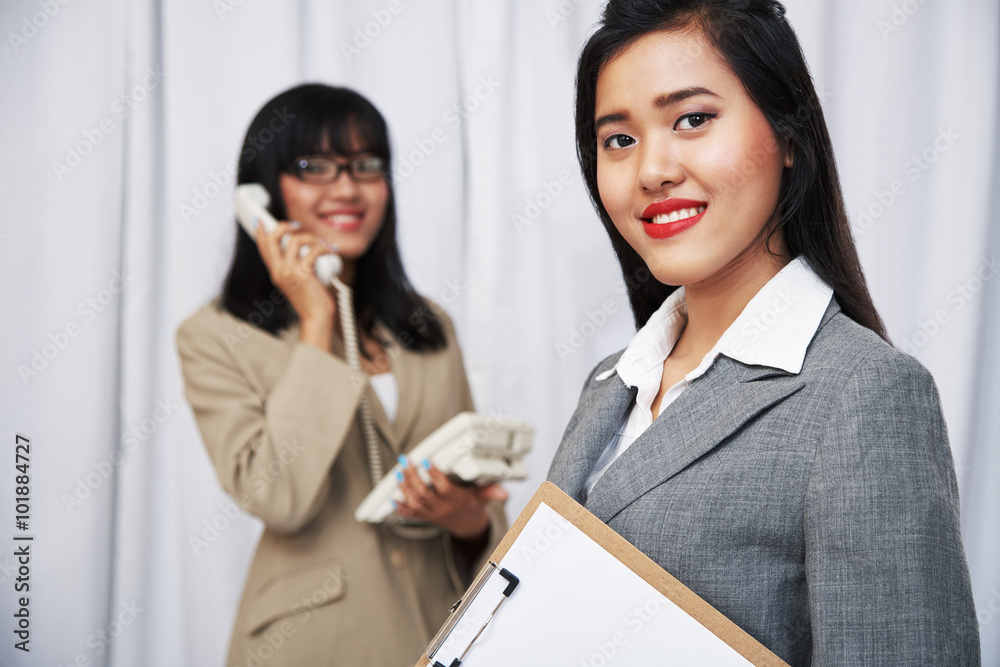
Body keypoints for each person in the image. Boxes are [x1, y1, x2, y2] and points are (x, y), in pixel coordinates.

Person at [547, 1, 980, 664]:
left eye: (693, 119)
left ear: (788, 135)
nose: (651, 171)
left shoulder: (865, 393)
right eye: (619, 139)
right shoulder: (611, 381)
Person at [176, 83, 507, 666]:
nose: (348, 188)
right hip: (310, 644)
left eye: (366, 164)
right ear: (261, 193)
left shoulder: (430, 326)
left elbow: (481, 486)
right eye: (314, 166)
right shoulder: (214, 335)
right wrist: (317, 320)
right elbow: (278, 497)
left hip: (440, 633)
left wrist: (469, 520)